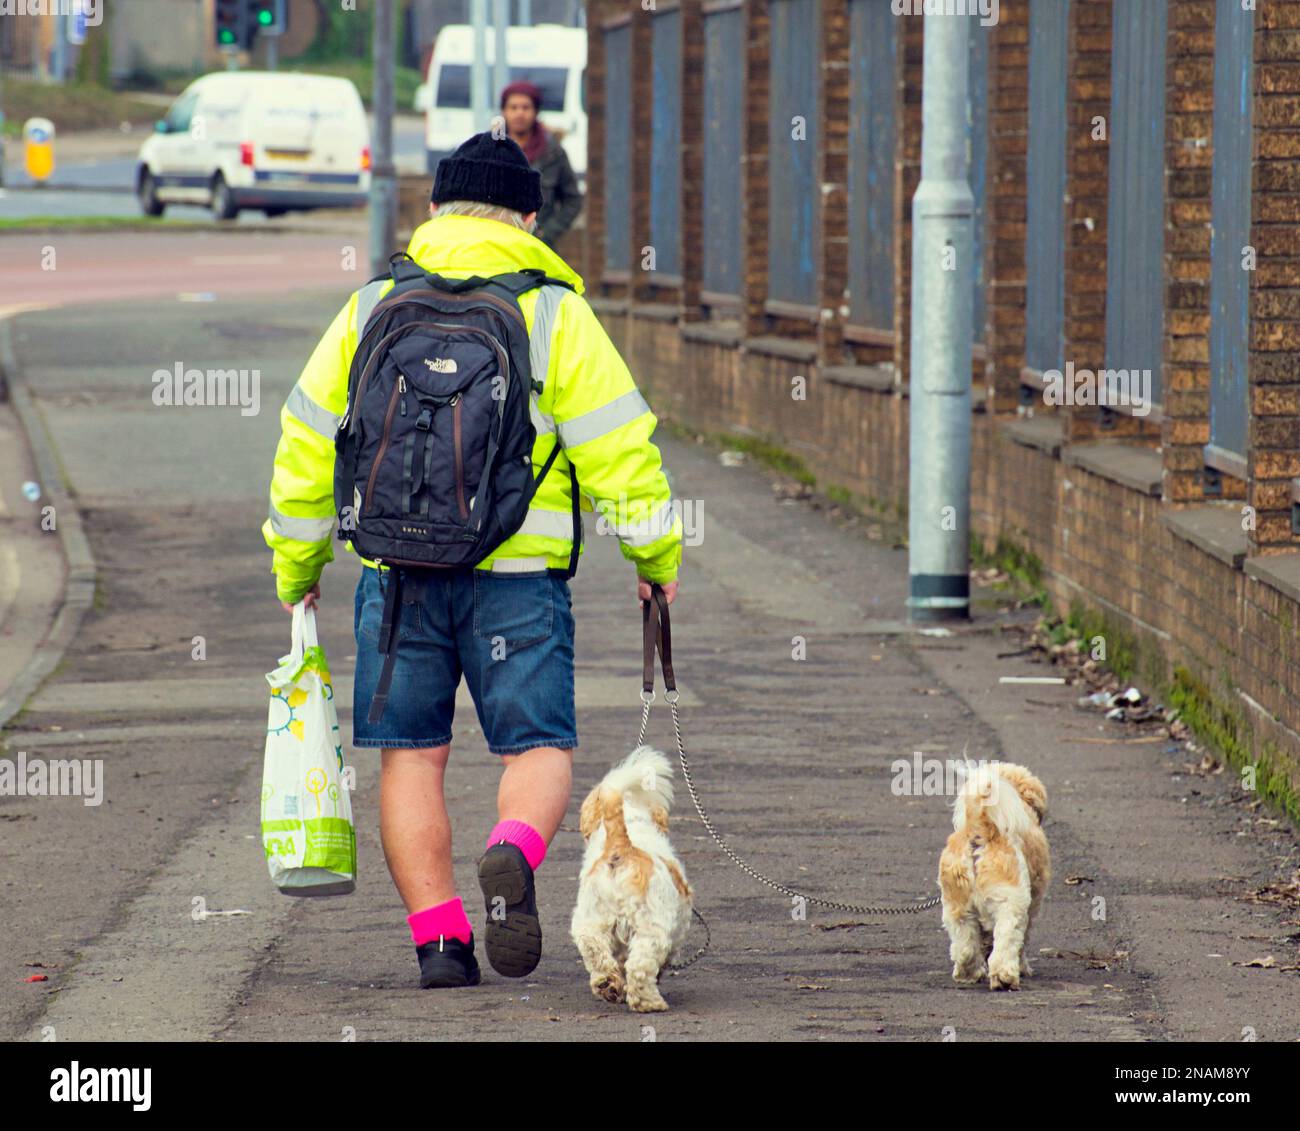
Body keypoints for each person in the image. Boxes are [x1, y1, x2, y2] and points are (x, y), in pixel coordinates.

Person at [262, 132, 682, 990]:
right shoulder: (555, 310)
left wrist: (295, 567)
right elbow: (620, 449)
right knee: (535, 745)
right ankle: (509, 850)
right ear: (530, 217)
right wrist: (654, 553)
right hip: (518, 580)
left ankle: (442, 943)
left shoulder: (374, 303)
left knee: (412, 753)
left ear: (434, 210)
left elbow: (305, 442)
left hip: (397, 573)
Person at [500, 79, 583, 248]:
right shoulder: (492, 147)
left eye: (525, 107)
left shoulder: (552, 152)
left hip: (539, 246)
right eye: (513, 107)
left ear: (535, 111)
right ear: (504, 111)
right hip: (498, 243)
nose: (519, 113)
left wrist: (548, 233)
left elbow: (573, 200)